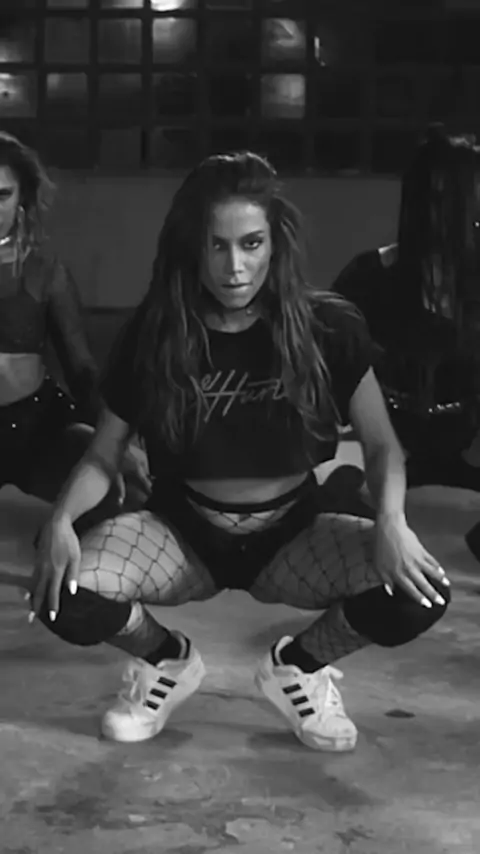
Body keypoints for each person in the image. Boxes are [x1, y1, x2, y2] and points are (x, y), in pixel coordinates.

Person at [31, 151, 450, 753]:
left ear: (274, 244)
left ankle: (297, 667)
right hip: (181, 533)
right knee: (59, 592)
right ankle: (166, 659)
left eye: (251, 244)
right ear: (192, 248)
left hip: (293, 533)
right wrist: (61, 521)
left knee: (419, 592)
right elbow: (102, 457)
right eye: (217, 246)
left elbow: (382, 445)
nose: (234, 267)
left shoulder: (328, 327)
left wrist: (392, 521)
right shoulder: (156, 332)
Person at [0, 131, 150, 533]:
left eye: (2, 195)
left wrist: (112, 440)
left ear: (21, 198)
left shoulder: (45, 271)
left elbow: (81, 369)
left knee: (119, 488)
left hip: (35, 425)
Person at [332, 125, 480, 496]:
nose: (447, 218)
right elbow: (325, 378)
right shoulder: (368, 278)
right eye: (437, 200)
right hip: (384, 453)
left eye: (463, 204)